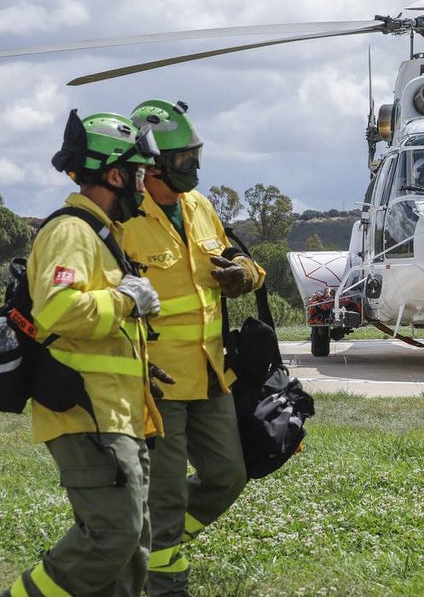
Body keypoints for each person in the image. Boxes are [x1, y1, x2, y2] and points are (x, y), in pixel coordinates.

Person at [3, 110, 165, 597]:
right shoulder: (72, 232)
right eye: (138, 173)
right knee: (110, 539)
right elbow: (59, 311)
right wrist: (126, 299)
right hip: (85, 412)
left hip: (116, 413)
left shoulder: (100, 234)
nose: (143, 184)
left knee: (132, 544)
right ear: (114, 174)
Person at [121, 99, 266, 596]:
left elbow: (239, 260)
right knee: (163, 493)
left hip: (210, 374)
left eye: (195, 155)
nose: (195, 168)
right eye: (184, 160)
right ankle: (165, 579)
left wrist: (245, 275)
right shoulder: (122, 216)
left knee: (228, 475)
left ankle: (140, 547)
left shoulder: (199, 206)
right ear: (151, 163)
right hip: (155, 381)